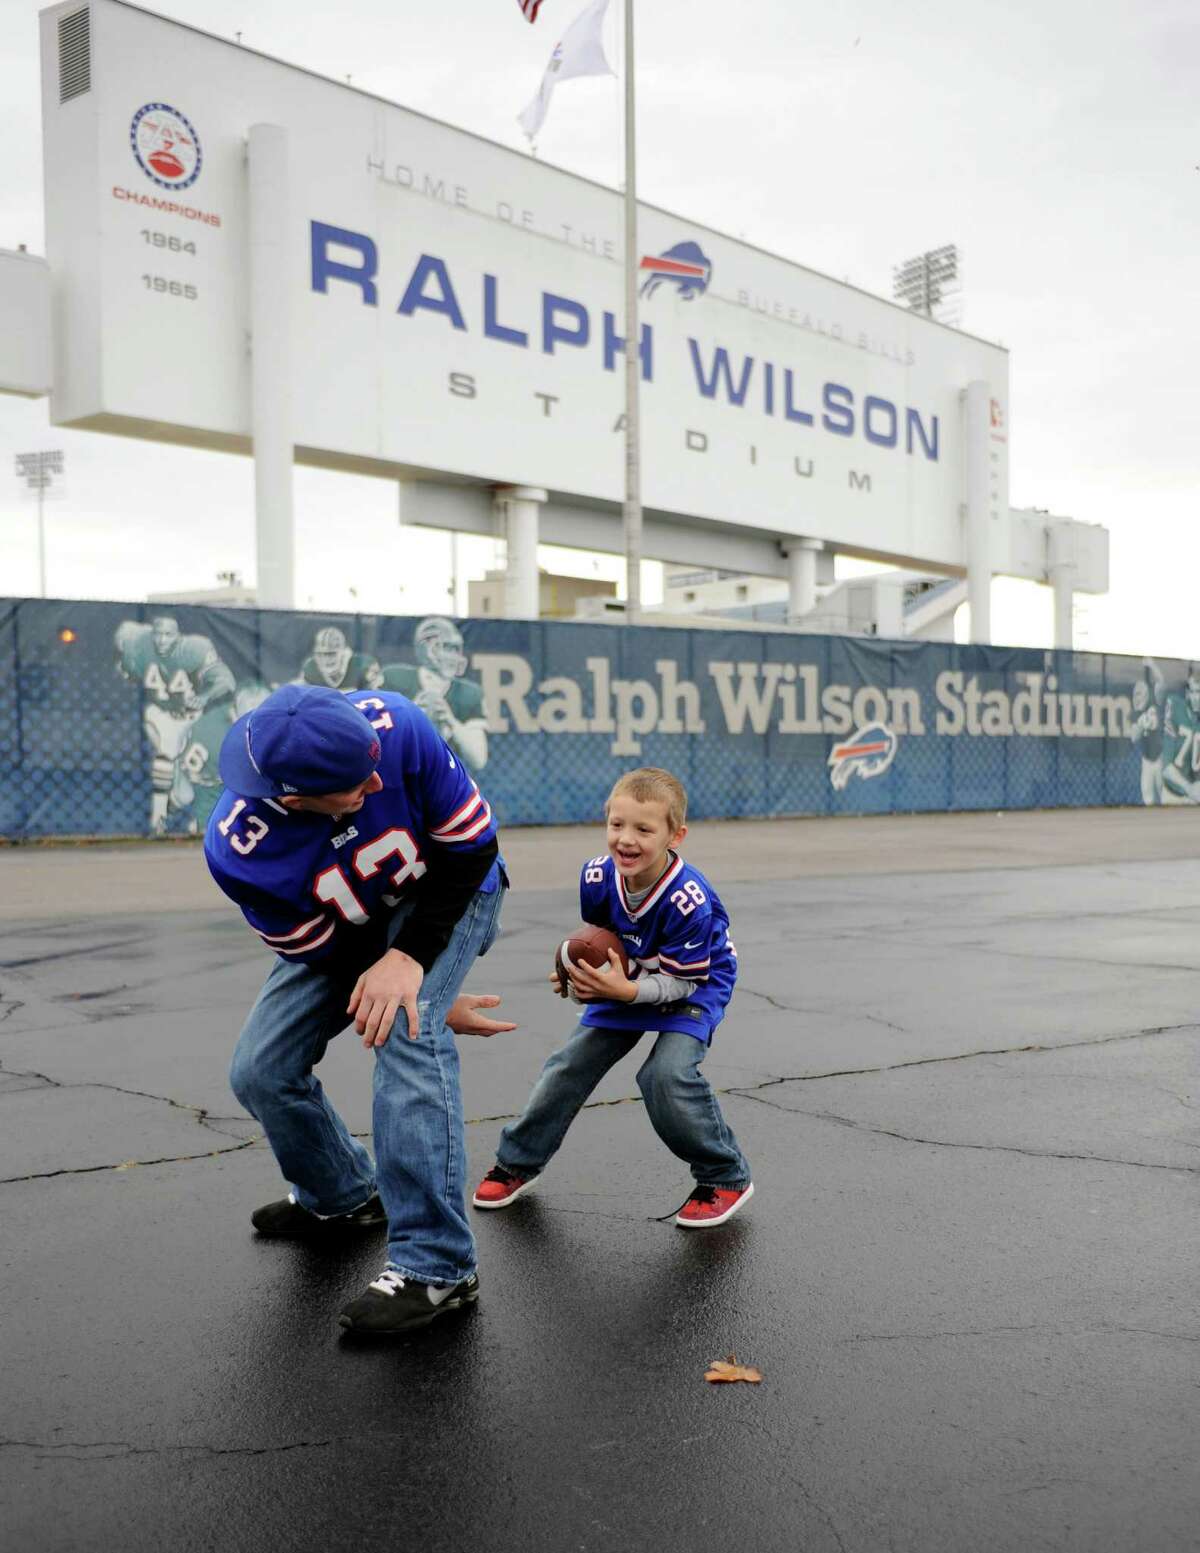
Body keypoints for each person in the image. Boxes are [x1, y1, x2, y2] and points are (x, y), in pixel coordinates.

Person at [204, 683, 510, 1337]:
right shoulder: (239, 852)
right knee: (261, 1069)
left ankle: (438, 1267)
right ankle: (343, 1197)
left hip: (448, 896)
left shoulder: (398, 724)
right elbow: (326, 954)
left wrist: (416, 970)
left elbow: (472, 847)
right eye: (353, 782)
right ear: (293, 799)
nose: (376, 779)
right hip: (347, 936)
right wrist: (402, 979)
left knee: (406, 1025)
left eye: (371, 761)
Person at [472, 766, 753, 1228]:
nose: (626, 839)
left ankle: (724, 1175)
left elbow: (681, 982)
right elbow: (602, 939)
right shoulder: (598, 876)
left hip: (694, 981)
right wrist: (571, 972)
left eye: (644, 829)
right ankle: (517, 1162)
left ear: (674, 836)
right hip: (634, 972)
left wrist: (627, 990)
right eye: (616, 824)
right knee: (569, 1064)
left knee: (665, 1075)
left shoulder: (688, 900)